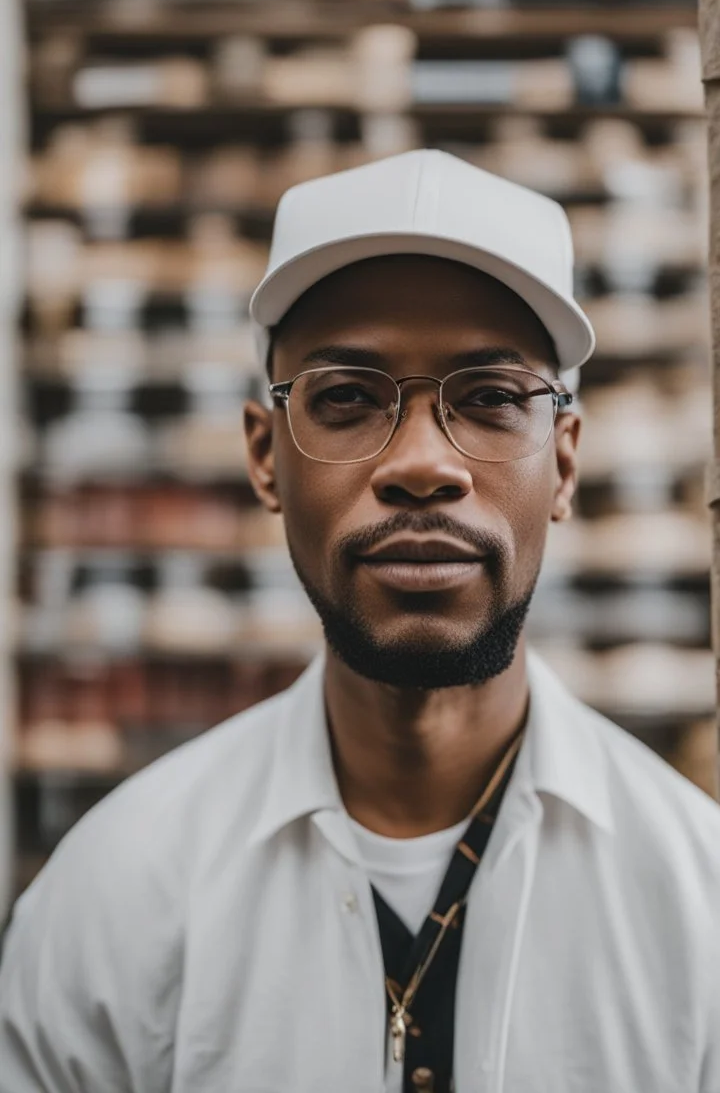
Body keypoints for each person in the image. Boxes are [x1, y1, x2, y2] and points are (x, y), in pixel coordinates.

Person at [1, 149, 719, 1093]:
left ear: (567, 463)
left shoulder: (698, 908)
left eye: (493, 399)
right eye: (347, 397)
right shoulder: (113, 901)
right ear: (265, 458)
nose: (422, 463)